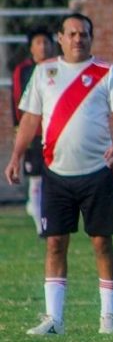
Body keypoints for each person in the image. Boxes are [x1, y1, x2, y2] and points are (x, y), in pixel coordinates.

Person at [4, 13, 113, 335]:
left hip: (97, 173)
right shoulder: (45, 72)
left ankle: (109, 317)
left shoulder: (106, 72)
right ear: (60, 38)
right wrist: (16, 156)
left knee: (102, 243)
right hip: (56, 175)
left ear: (91, 38)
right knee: (55, 244)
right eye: (72, 34)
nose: (78, 39)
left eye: (84, 34)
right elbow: (30, 120)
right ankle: (54, 320)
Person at [10, 27, 55, 235]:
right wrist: (20, 130)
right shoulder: (24, 70)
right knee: (36, 178)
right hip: (34, 134)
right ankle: (40, 227)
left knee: (52, 179)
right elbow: (18, 102)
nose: (43, 46)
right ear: (31, 47)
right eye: (38, 43)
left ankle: (48, 219)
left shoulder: (57, 68)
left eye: (46, 42)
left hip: (54, 133)